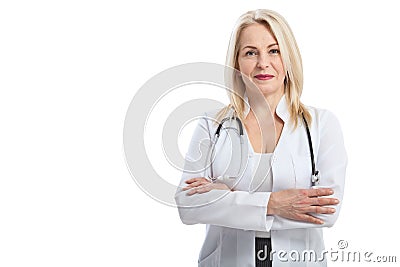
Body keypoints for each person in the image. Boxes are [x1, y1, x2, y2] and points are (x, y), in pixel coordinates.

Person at [175, 9, 347, 267]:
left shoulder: (321, 125)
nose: (263, 63)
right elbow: (188, 207)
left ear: (289, 59)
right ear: (236, 64)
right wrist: (274, 203)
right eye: (250, 52)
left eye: (274, 51)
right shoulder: (212, 125)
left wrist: (227, 197)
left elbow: (325, 212)